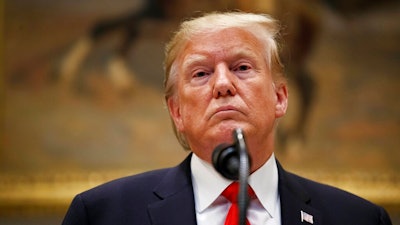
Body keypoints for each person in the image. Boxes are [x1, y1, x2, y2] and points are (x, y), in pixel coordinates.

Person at [62, 12, 392, 225]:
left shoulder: (358, 219)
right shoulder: (102, 215)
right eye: (202, 73)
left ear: (280, 97)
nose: (222, 85)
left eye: (242, 68)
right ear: (177, 111)